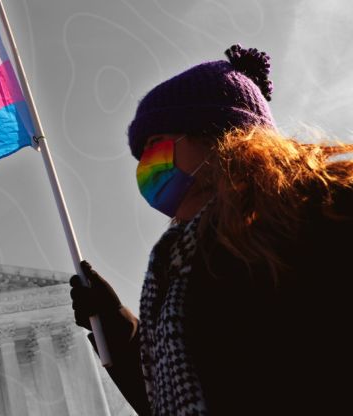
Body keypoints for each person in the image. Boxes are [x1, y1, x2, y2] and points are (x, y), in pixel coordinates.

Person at [70, 44, 353, 415]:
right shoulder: (179, 264)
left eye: (155, 145)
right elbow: (181, 397)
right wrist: (119, 331)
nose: (147, 167)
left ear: (217, 138)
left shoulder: (324, 213)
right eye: (141, 158)